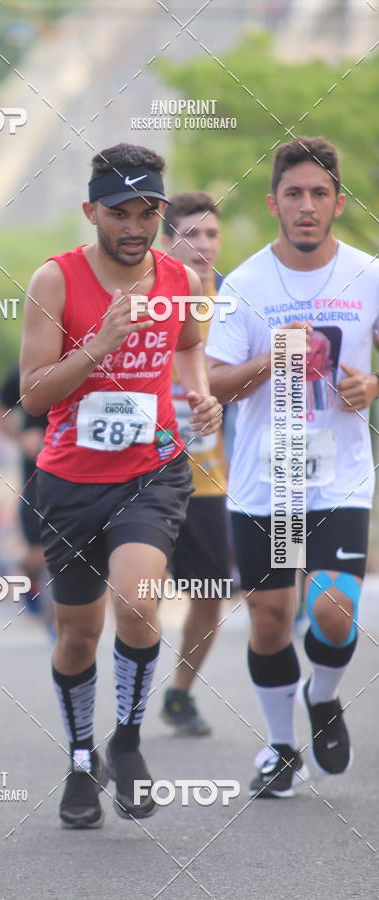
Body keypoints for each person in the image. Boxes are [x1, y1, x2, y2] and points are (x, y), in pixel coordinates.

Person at [20, 143, 222, 828]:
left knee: (139, 606)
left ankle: (128, 739)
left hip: (152, 470)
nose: (133, 226)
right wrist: (99, 344)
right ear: (91, 212)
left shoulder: (178, 278)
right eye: (118, 213)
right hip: (70, 481)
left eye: (146, 211)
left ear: (161, 212)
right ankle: (82, 758)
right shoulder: (56, 281)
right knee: (78, 636)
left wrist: (197, 396)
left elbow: (190, 343)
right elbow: (34, 396)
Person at [207, 136, 379, 797]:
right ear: (272, 202)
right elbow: (215, 386)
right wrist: (271, 356)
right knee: (272, 620)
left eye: (318, 194)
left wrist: (372, 387)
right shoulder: (244, 286)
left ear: (339, 202)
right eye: (293, 194)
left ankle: (326, 698)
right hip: (264, 482)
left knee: (333, 609)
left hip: (339, 474)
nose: (306, 206)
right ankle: (280, 747)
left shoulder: (367, 275)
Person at [159, 191, 231, 736]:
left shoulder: (236, 301)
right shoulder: (148, 299)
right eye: (190, 234)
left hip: (210, 481)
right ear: (167, 241)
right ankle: (128, 689)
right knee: (133, 597)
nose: (202, 245)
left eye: (210, 234)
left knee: (209, 597)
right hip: (145, 476)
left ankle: (180, 691)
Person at [0, 365, 49, 616]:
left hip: (84, 467)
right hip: (38, 474)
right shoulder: (27, 371)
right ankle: (31, 585)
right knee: (37, 553)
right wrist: (21, 437)